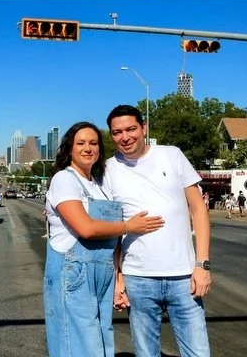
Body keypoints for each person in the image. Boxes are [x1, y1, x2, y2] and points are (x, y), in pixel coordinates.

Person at [43, 121, 161, 357]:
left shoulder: (98, 185)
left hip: (103, 272)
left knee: (101, 340)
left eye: (93, 143)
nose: (88, 148)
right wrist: (129, 226)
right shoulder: (64, 180)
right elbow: (85, 228)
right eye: (81, 143)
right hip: (74, 272)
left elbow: (112, 240)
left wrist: (118, 279)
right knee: (78, 344)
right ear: (69, 150)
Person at [103, 106, 211, 357]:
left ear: (144, 128)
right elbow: (113, 231)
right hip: (138, 279)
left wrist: (202, 265)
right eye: (117, 132)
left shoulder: (172, 155)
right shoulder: (108, 170)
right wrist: (118, 279)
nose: (125, 137)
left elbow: (199, 210)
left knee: (198, 352)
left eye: (131, 129)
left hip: (184, 277)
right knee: (146, 353)